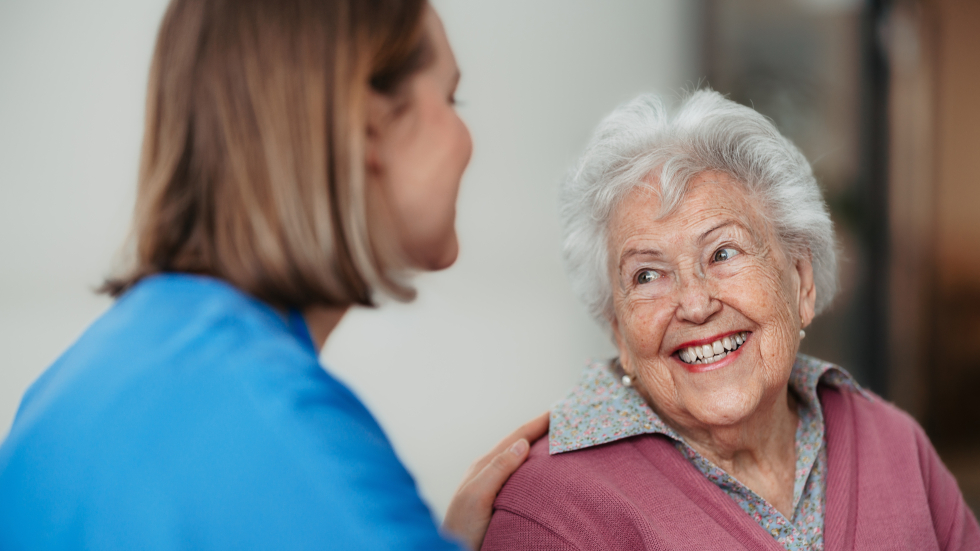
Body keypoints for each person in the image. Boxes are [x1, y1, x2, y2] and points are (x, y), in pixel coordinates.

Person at [0, 1, 546, 550]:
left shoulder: (67, 386)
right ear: (365, 122)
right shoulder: (286, 432)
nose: (466, 137)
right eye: (451, 98)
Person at [482, 91, 980, 550]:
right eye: (648, 275)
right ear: (618, 329)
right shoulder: (548, 512)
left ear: (800, 279)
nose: (695, 304)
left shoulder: (892, 442)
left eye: (722, 252)